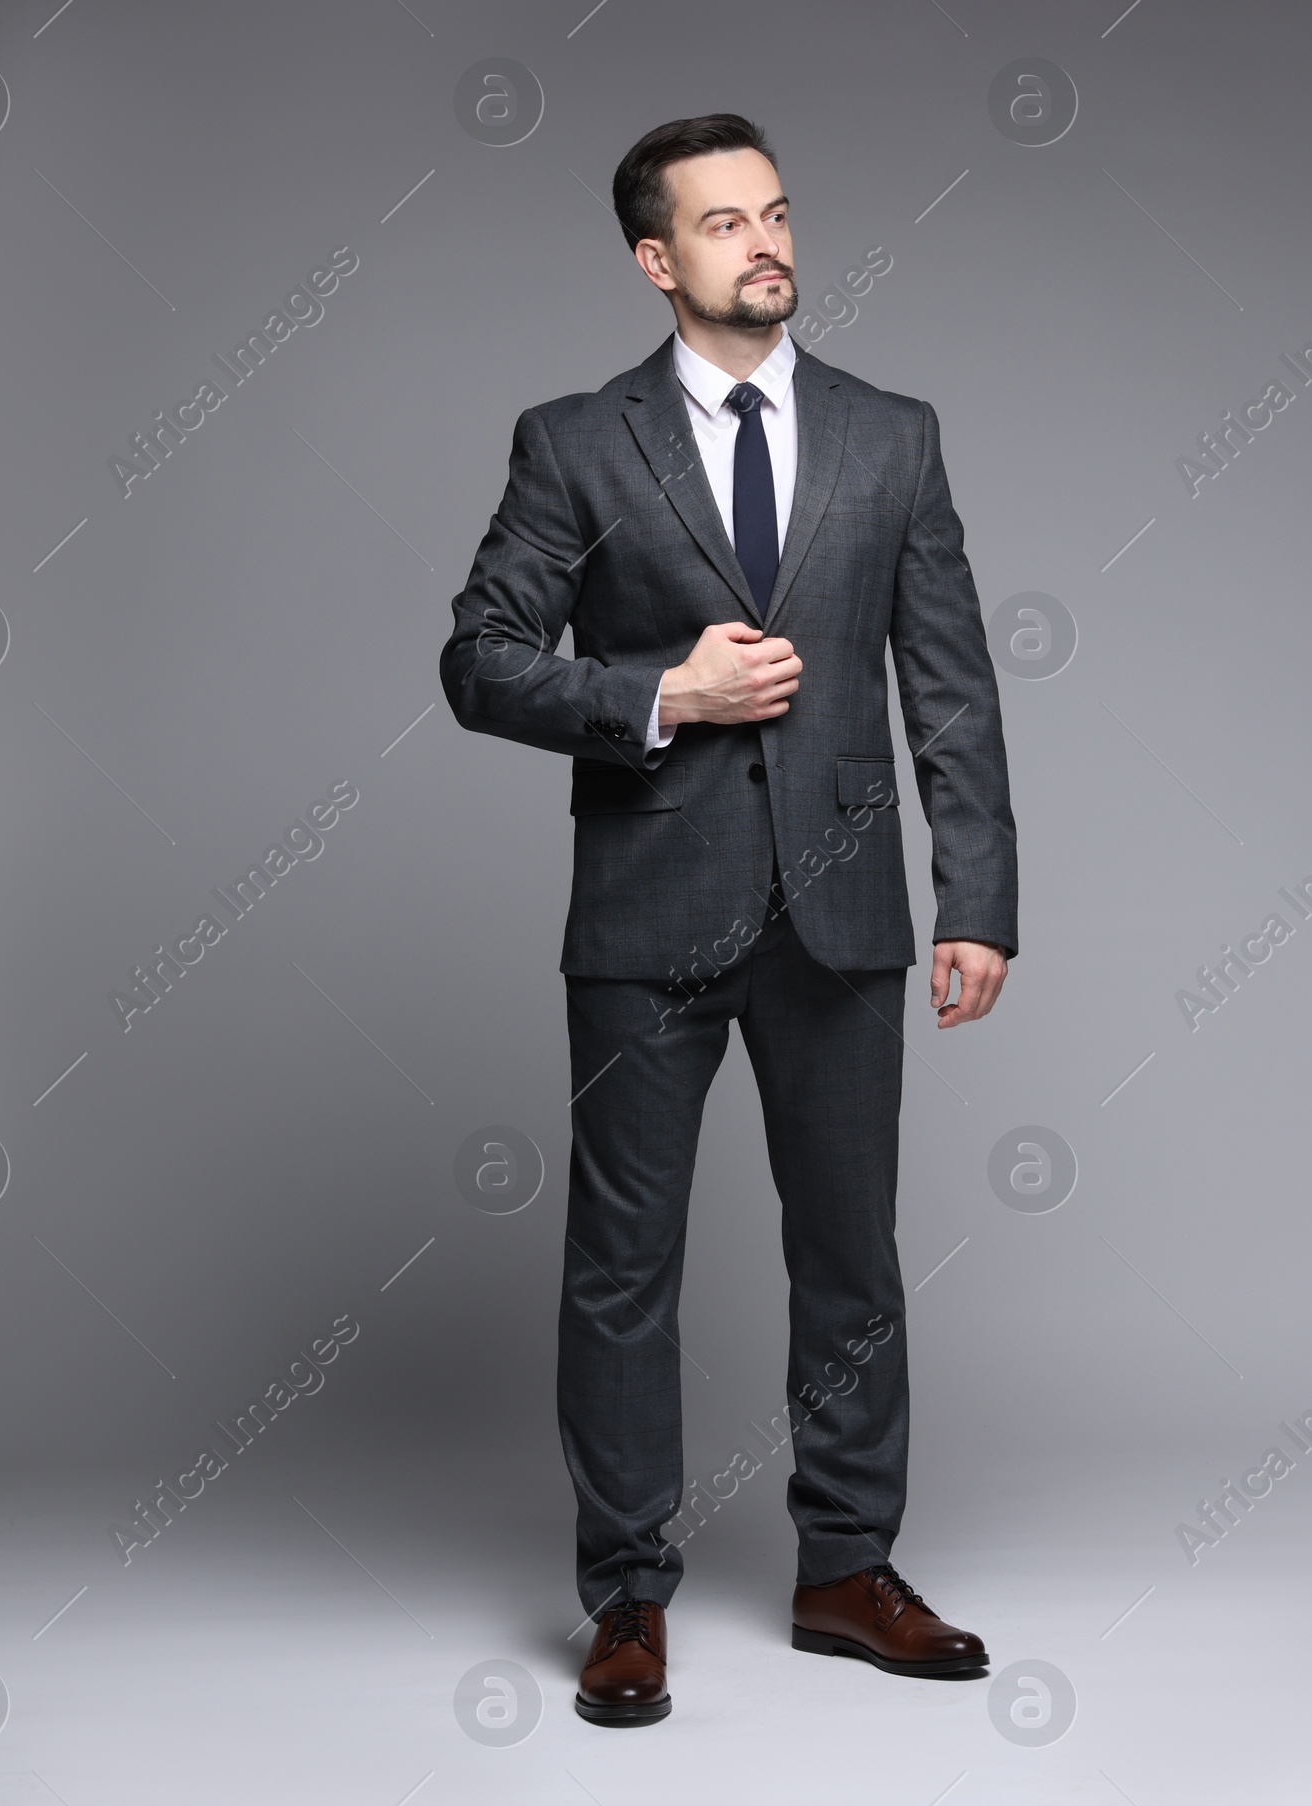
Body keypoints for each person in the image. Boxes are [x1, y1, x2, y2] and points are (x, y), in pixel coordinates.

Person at [440, 113, 1018, 1726]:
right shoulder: (573, 441)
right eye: (722, 224)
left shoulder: (893, 435)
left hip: (843, 912)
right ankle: (628, 1594)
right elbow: (481, 657)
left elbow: (951, 686)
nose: (764, 243)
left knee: (853, 1256)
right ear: (654, 258)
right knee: (623, 1268)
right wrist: (659, 695)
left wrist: (979, 894)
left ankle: (847, 1566)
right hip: (647, 912)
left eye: (776, 214)